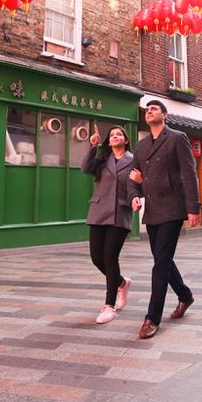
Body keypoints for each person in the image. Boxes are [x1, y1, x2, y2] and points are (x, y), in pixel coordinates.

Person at [128, 100, 200, 340]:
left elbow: (189, 173)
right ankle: (185, 295)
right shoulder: (141, 145)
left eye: (154, 109)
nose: (149, 111)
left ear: (165, 115)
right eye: (147, 109)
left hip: (173, 207)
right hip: (153, 211)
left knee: (160, 263)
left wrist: (194, 208)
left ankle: (152, 318)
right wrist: (135, 196)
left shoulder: (178, 138)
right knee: (162, 259)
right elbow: (133, 177)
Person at [80, 125, 134, 325]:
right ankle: (121, 282)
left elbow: (135, 185)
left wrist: (136, 198)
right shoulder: (102, 158)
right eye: (112, 135)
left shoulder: (132, 160)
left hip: (120, 213)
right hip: (98, 211)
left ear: (125, 140)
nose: (115, 136)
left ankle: (109, 306)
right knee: (97, 258)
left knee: (110, 257)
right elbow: (86, 168)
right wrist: (92, 147)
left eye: (119, 134)